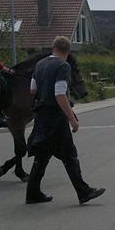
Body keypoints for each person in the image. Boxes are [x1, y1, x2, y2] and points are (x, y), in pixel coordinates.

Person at [25, 36, 106, 205]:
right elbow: (60, 94)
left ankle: (32, 193)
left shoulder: (40, 64)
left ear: (53, 48)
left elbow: (32, 89)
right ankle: (83, 192)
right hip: (56, 117)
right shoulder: (63, 66)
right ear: (68, 51)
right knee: (69, 156)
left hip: (41, 116)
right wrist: (72, 119)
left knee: (42, 155)